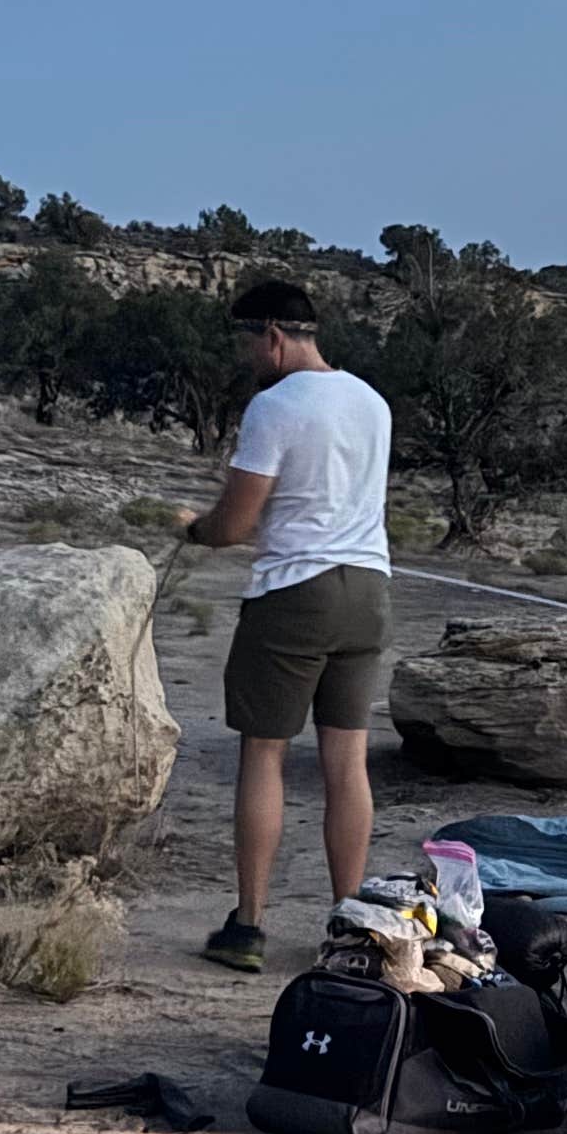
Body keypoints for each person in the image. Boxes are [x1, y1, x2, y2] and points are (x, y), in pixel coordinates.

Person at [185, 278, 394, 971]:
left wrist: (194, 529)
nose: (247, 356)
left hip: (293, 594)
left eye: (248, 342)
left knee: (264, 753)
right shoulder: (372, 401)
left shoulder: (274, 406)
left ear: (272, 336)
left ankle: (247, 924)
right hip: (369, 590)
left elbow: (236, 523)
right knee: (346, 758)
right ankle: (352, 919)